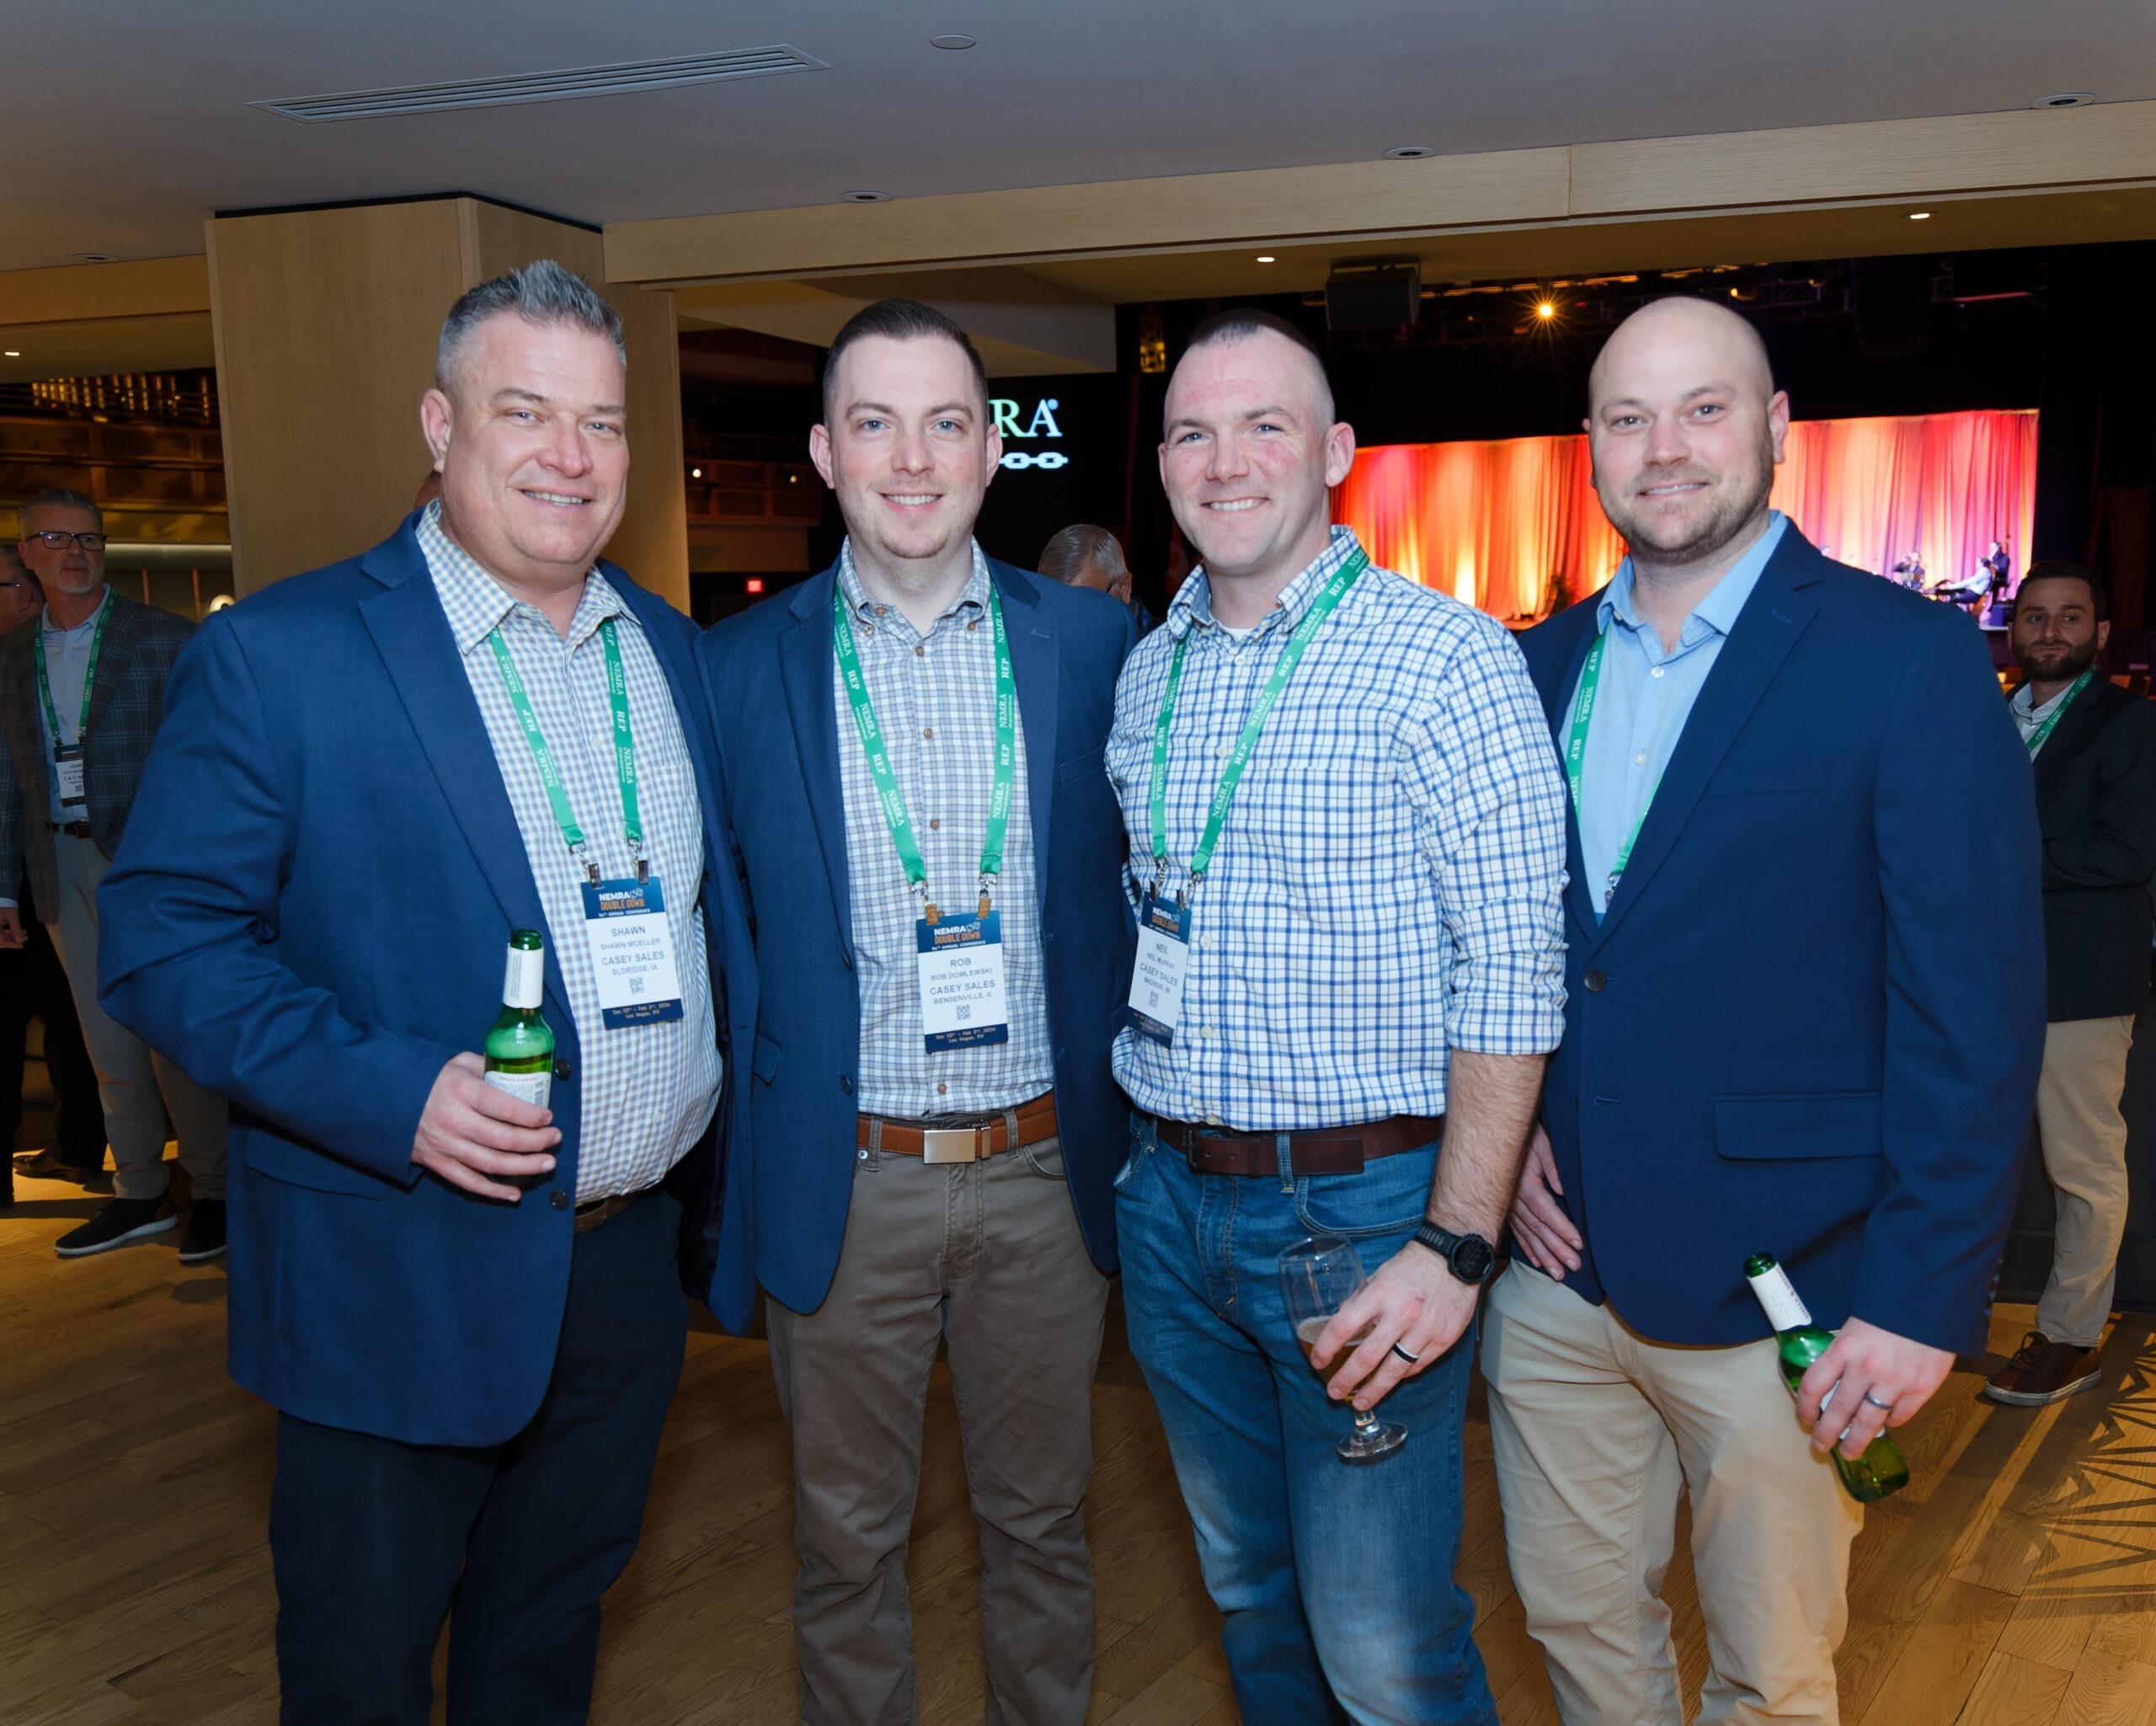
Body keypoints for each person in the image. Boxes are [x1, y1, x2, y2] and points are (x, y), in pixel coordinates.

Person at [98, 259, 756, 1723]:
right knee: (365, 1673)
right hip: (395, 1268)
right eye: (526, 412)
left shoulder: (670, 649)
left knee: (545, 1649)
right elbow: (160, 937)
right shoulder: (283, 654)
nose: (570, 455)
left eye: (602, 422)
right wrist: (395, 1092)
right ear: (440, 426)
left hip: (621, 1266)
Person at [1501, 296, 2042, 1726]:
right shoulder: (1534, 667)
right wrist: (1501, 1131)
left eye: (1704, 408)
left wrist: (1920, 1298)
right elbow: (1508, 947)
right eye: (1629, 417)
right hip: (1556, 1276)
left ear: (1778, 426)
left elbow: (1974, 1007)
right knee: (1575, 1624)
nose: (1665, 447)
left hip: (1784, 1288)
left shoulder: (1903, 656)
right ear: (1590, 445)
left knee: (1770, 1669)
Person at [1106, 307, 1567, 1726]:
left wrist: (1456, 1242)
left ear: (1336, 453)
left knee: (1383, 1647)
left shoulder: (1447, 658)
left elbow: (1515, 969)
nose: (1224, 460)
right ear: (1164, 463)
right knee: (1252, 1596)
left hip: (1364, 1220)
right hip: (1169, 1205)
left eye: (1266, 426)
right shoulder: (1149, 670)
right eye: (1192, 431)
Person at [697, 298, 1134, 1725]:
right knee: (845, 1549)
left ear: (991, 449)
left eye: (945, 423)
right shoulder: (735, 669)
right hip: (846, 1176)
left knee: (1045, 1531)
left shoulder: (1098, 646)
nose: (911, 457)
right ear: (826, 452)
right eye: (874, 423)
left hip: (1043, 1173)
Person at [0, 489, 227, 1259]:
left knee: (171, 1031)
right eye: (56, 539)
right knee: (105, 1041)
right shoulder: (11, 654)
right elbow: (6, 777)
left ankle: (215, 1190)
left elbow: (213, 758)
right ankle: (139, 1191)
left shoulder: (167, 637)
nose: (76, 552)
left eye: (89, 539)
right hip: (57, 860)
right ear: (26, 552)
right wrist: (3, 887)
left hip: (154, 862)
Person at [1986, 560, 2156, 1405]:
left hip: (2078, 982)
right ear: (2012, 629)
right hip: (1974, 978)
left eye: (2069, 616)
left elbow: (2126, 852)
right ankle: (1943, 1313)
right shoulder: (1984, 718)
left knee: (2082, 1167)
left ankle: (2070, 1335)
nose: (2049, 630)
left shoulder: (2129, 723)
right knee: (1962, 1154)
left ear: (2101, 632)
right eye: (2034, 616)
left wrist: (1992, 857)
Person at [0, 548, 107, 1200]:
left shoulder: (47, 659)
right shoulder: (17, 661)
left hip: (55, 859)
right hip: (21, 871)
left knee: (75, 1017)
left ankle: (80, 1149)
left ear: (27, 592)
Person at [1039, 522, 1159, 634]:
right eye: (1056, 607)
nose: (1070, 622)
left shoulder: (1164, 646)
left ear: (1124, 588)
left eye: (1086, 606)